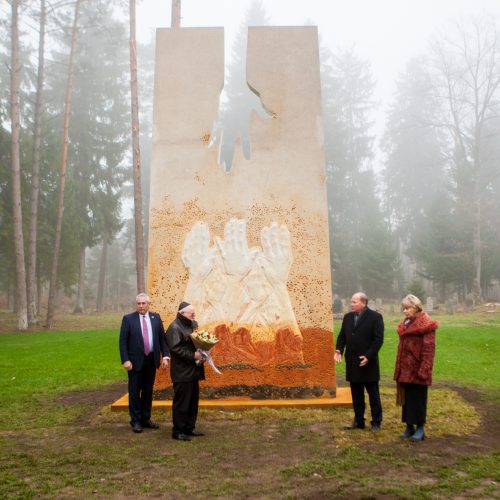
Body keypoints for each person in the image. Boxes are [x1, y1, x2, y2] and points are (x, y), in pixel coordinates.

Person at [119, 293, 169, 433]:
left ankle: (146, 419)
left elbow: (162, 339)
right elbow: (122, 342)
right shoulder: (128, 319)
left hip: (151, 361)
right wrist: (126, 360)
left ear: (149, 304)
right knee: (134, 393)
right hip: (134, 363)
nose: (141, 306)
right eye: (138, 303)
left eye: (143, 303)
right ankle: (135, 421)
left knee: (148, 392)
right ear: (136, 305)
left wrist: (165, 356)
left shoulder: (156, 318)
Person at [335, 292, 384, 431]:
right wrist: (339, 349)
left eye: (355, 302)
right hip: (352, 363)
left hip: (368, 363)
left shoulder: (375, 317)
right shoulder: (347, 317)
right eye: (351, 302)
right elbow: (342, 336)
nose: (352, 304)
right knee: (356, 395)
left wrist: (368, 356)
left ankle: (376, 422)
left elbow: (378, 340)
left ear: (364, 303)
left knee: (373, 394)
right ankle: (358, 421)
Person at [394, 294, 438, 441]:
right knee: (407, 399)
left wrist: (424, 370)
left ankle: (420, 428)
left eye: (407, 308)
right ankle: (409, 426)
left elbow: (429, 350)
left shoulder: (426, 325)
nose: (405, 311)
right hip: (405, 368)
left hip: (418, 369)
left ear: (416, 307)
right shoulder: (406, 323)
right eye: (403, 309)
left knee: (418, 398)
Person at [166, 301, 205, 441]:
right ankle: (178, 431)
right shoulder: (174, 327)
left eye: (194, 313)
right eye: (191, 313)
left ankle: (189, 428)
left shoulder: (193, 324)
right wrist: (193, 355)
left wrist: (203, 353)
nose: (194, 315)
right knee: (182, 403)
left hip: (194, 370)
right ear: (182, 313)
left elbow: (198, 341)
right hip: (182, 372)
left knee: (193, 402)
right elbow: (175, 349)